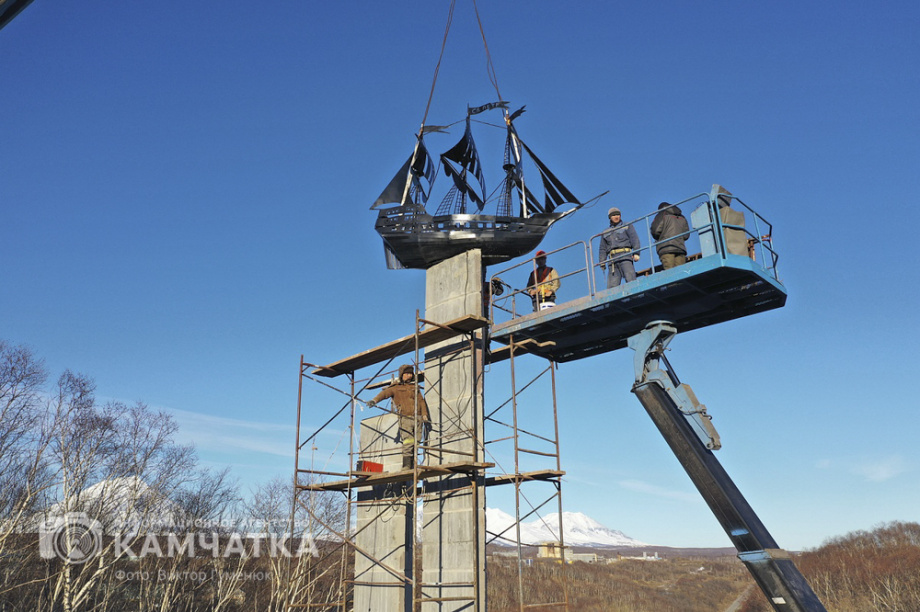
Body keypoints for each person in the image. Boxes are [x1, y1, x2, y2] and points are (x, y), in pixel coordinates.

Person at [367, 364, 431, 469]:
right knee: (408, 441)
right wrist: (374, 400)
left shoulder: (415, 387)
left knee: (417, 442)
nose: (409, 376)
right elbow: (384, 394)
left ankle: (413, 465)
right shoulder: (395, 387)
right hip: (405, 418)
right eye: (406, 374)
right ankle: (406, 466)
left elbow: (421, 401)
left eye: (410, 374)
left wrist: (424, 414)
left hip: (418, 418)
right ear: (402, 375)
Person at [598, 207, 640, 288]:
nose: (616, 217)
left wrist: (636, 253)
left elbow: (634, 239)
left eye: (618, 214)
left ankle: (635, 297)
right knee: (612, 287)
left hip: (625, 256)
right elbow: (602, 248)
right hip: (612, 261)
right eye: (613, 215)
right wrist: (602, 261)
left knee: (631, 280)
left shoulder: (627, 226)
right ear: (610, 217)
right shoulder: (605, 232)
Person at [650, 202, 690, 270]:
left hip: (666, 248)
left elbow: (655, 230)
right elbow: (686, 235)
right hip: (680, 248)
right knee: (681, 273)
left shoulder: (662, 215)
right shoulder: (682, 217)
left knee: (670, 273)